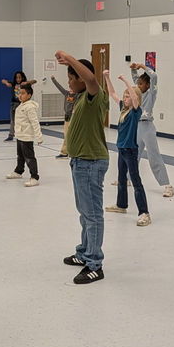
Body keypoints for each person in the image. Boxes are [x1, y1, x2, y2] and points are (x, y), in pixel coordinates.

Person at [56, 51, 109, 284]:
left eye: (70, 78)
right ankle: (84, 252)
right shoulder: (79, 98)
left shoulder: (93, 95)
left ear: (79, 77)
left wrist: (69, 58)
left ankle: (94, 264)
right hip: (80, 161)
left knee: (93, 214)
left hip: (91, 162)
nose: (69, 82)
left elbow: (91, 80)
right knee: (85, 212)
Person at [104, 71, 151, 226]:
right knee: (121, 178)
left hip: (131, 151)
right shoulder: (123, 109)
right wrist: (107, 77)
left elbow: (136, 98)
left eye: (128, 96)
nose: (125, 98)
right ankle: (121, 205)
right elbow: (111, 92)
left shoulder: (136, 112)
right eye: (124, 96)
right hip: (121, 149)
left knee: (136, 181)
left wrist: (126, 81)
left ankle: (144, 213)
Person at [130, 62, 174, 197]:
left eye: (141, 84)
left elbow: (154, 77)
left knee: (153, 156)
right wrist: (133, 69)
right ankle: (127, 178)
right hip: (137, 127)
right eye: (138, 84)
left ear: (148, 85)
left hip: (147, 127)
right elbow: (135, 79)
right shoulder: (138, 93)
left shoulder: (151, 94)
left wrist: (143, 66)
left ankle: (167, 185)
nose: (138, 86)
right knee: (133, 154)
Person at [5, 83, 42, 186]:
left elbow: (35, 122)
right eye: (19, 93)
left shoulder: (30, 107)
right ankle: (18, 171)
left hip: (26, 137)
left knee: (29, 157)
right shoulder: (21, 105)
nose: (20, 95)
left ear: (29, 95)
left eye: (23, 93)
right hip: (20, 136)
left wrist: (39, 136)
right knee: (20, 156)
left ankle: (34, 177)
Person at [1, 71, 36, 142]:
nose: (18, 79)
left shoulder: (24, 85)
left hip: (21, 105)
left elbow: (35, 81)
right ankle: (11, 135)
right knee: (12, 120)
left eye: (19, 77)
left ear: (22, 77)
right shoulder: (13, 84)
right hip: (13, 104)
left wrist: (27, 82)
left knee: (21, 121)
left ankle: (22, 135)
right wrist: (5, 82)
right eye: (17, 78)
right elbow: (4, 81)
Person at [50, 75, 77, 159]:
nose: (71, 89)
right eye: (70, 88)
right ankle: (65, 152)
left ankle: (68, 152)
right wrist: (53, 79)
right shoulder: (66, 93)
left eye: (73, 88)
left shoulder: (77, 95)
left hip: (73, 117)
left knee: (70, 135)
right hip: (67, 117)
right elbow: (59, 87)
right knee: (66, 135)